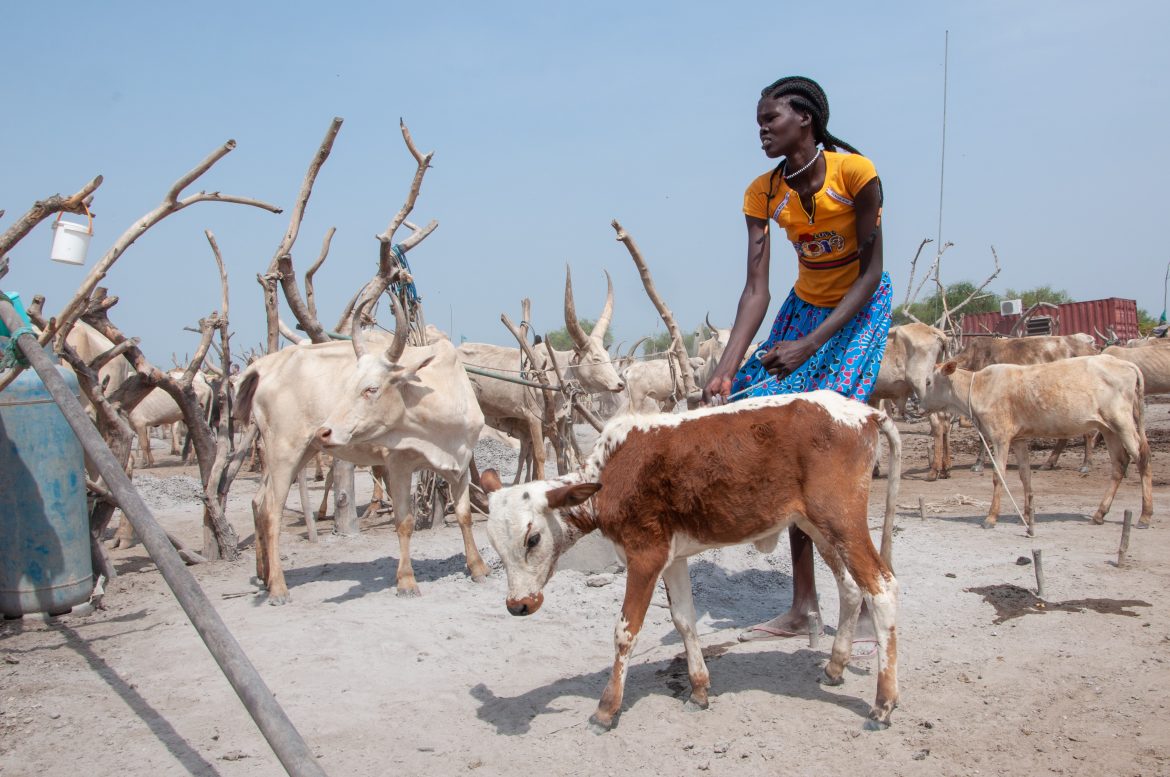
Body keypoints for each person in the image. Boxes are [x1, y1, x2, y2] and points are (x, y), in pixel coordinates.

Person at [701, 75, 892, 653]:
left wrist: (809, 347)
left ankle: (859, 598)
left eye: (770, 119)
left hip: (857, 311)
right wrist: (726, 369)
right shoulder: (763, 192)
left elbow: (871, 272)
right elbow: (755, 290)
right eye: (758, 122)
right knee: (779, 440)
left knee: (823, 447)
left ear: (804, 118)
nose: (761, 130)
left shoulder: (856, 176)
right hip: (803, 307)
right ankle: (802, 604)